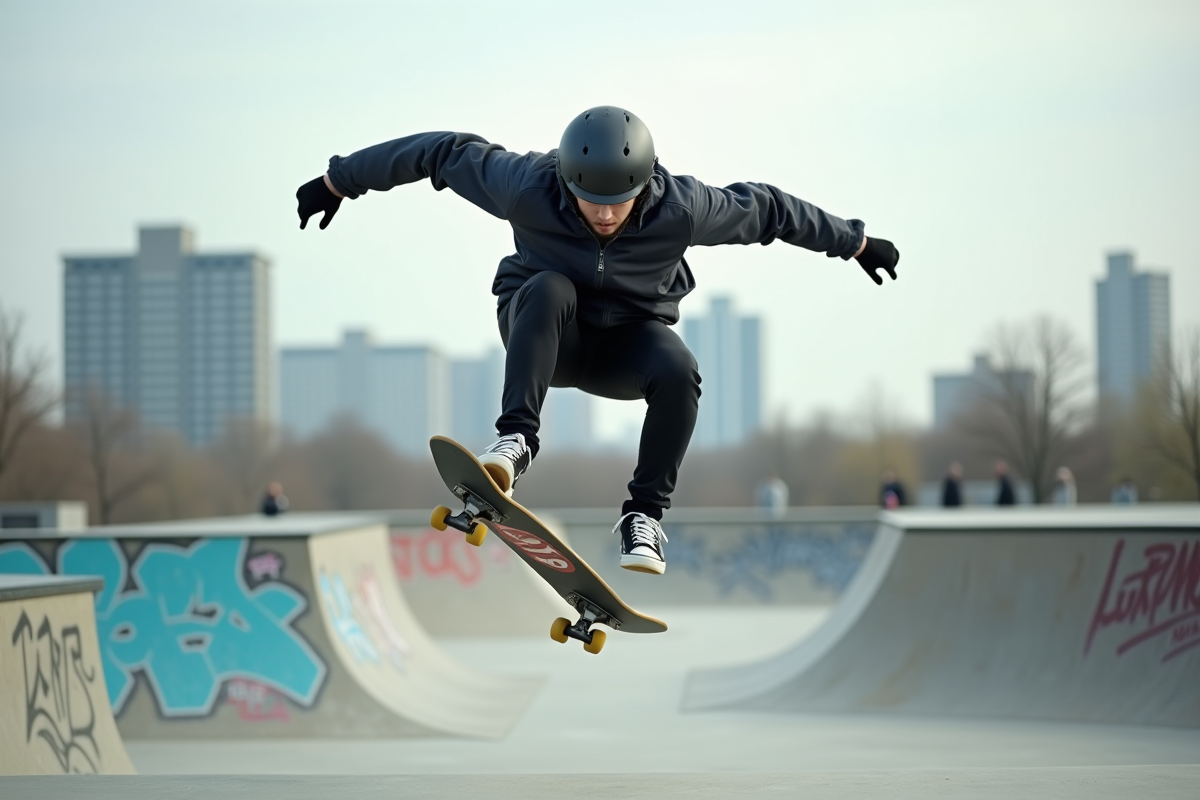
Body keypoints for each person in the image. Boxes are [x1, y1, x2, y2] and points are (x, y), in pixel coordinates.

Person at [296, 107, 899, 575]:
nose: (604, 216)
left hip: (626, 349)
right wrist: (340, 180)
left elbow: (769, 211)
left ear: (644, 184)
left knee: (679, 368)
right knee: (550, 286)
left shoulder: (683, 209)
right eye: (590, 202)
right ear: (566, 180)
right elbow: (442, 152)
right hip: (546, 335)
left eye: (618, 203)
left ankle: (644, 517)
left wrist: (854, 242)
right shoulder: (525, 185)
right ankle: (514, 442)